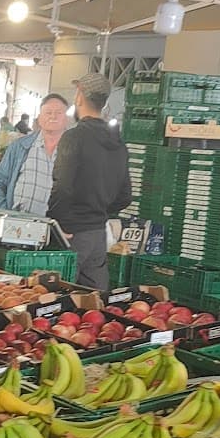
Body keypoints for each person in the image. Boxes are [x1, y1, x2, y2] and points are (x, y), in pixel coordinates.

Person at [48, 73, 131, 294]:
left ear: (80, 97)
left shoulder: (74, 138)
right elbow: (125, 196)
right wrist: (99, 209)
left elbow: (62, 186)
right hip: (98, 234)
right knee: (93, 302)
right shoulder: (119, 143)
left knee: (59, 301)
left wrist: (58, 225)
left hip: (71, 234)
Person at [0, 92, 69, 212]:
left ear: (66, 119)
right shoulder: (19, 147)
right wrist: (4, 212)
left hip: (56, 228)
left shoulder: (75, 152)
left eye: (59, 113)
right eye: (48, 113)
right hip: (17, 225)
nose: (53, 117)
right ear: (39, 118)